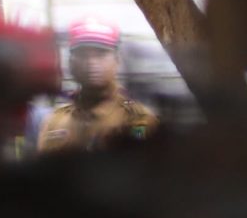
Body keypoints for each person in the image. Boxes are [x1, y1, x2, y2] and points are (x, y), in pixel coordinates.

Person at [35, 20, 159, 154]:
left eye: (100, 54)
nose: (91, 63)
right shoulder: (55, 121)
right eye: (82, 54)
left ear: (117, 60)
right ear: (71, 62)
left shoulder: (137, 120)